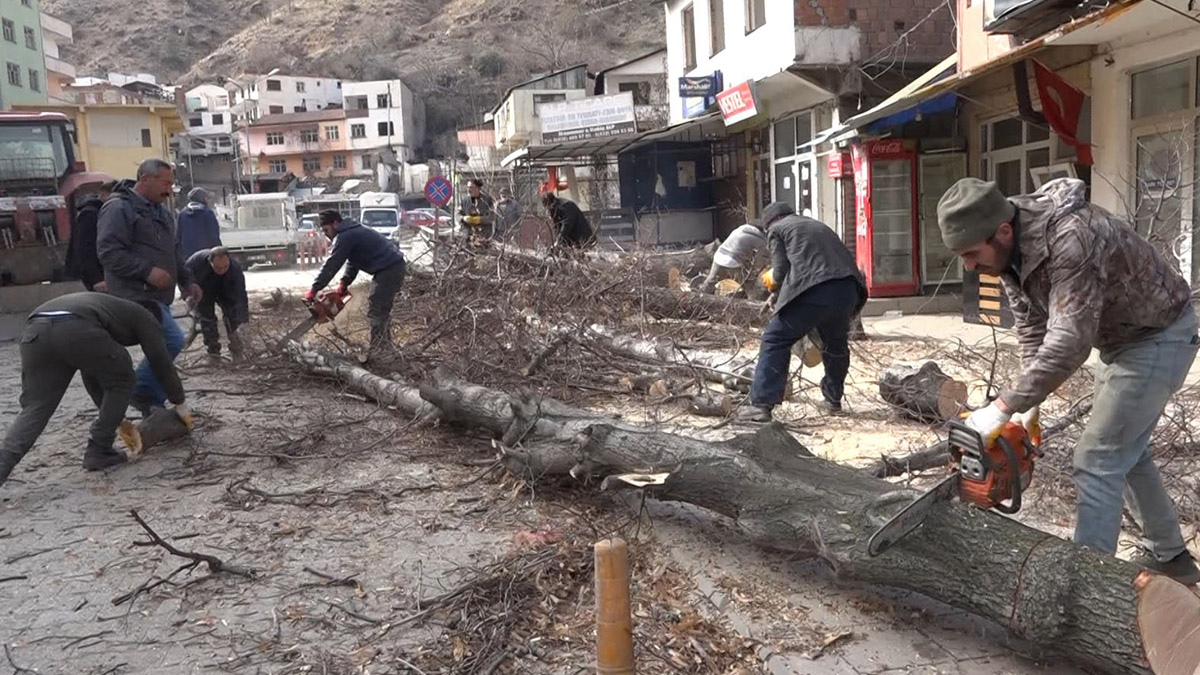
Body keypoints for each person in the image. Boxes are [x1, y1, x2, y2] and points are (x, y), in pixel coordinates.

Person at [939, 177, 1200, 585]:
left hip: (1159, 334)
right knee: (1124, 451)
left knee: (1097, 459)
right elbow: (1032, 331)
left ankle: (1087, 587)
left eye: (971, 254)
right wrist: (1028, 408)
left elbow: (1070, 343)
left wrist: (1004, 406)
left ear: (1003, 231)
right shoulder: (1008, 255)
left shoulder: (1071, 238)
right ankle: (1171, 558)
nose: (969, 266)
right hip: (1122, 340)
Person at [0, 293, 190, 487]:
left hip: (35, 331)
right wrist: (179, 402)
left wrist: (113, 418)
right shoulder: (146, 316)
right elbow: (160, 361)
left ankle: (2, 466)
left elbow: (93, 374)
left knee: (35, 408)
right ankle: (99, 448)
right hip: (75, 328)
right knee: (123, 377)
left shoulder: (110, 308)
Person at [739, 202, 867, 423]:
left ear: (769, 223)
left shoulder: (777, 230)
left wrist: (771, 283)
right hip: (848, 289)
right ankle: (833, 399)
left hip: (815, 290)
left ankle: (761, 404)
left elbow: (780, 272)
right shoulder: (816, 225)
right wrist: (779, 296)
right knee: (835, 343)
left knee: (775, 338)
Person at [97, 159, 202, 415]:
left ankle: (151, 404)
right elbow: (109, 253)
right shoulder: (118, 209)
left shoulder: (161, 212)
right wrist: (146, 272)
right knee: (172, 340)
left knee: (166, 342)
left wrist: (187, 281)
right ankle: (142, 392)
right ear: (145, 179)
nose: (169, 189)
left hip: (157, 297)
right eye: (165, 183)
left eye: (171, 183)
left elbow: (173, 251)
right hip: (133, 296)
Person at [306, 210, 406, 352]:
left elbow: (332, 264)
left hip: (389, 268)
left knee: (377, 306)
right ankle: (384, 345)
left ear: (335, 223)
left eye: (326, 230)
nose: (326, 234)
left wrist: (314, 289)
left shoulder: (346, 236)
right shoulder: (352, 231)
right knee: (381, 308)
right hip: (392, 266)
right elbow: (354, 261)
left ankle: (379, 348)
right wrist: (344, 283)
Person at [185, 247, 248, 358]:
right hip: (203, 289)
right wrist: (188, 294)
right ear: (210, 262)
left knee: (232, 315)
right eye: (218, 268)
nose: (222, 271)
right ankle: (213, 350)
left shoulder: (235, 270)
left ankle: (236, 348)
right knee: (207, 318)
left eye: (225, 267)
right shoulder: (195, 262)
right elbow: (183, 278)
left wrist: (243, 318)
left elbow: (241, 296)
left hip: (225, 289)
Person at [66, 181, 116, 292]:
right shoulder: (90, 214)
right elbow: (85, 248)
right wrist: (96, 279)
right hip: (97, 277)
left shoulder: (103, 213)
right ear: (103, 195)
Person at [700, 222, 768, 296]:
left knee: (711, 281)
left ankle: (700, 297)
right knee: (749, 284)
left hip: (719, 256)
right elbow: (761, 259)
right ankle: (754, 302)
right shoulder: (760, 240)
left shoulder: (740, 229)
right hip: (734, 261)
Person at [176, 187, 223, 259]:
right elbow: (214, 236)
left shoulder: (182, 214)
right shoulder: (208, 213)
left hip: (187, 256)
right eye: (206, 198)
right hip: (206, 255)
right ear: (203, 199)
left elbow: (178, 237)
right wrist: (220, 252)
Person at [457, 178, 495, 244]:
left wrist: (480, 219)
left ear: (477, 188)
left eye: (471, 187)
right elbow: (457, 215)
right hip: (468, 236)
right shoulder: (465, 201)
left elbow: (492, 216)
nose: (469, 190)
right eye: (468, 187)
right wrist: (463, 218)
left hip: (484, 235)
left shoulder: (487, 200)